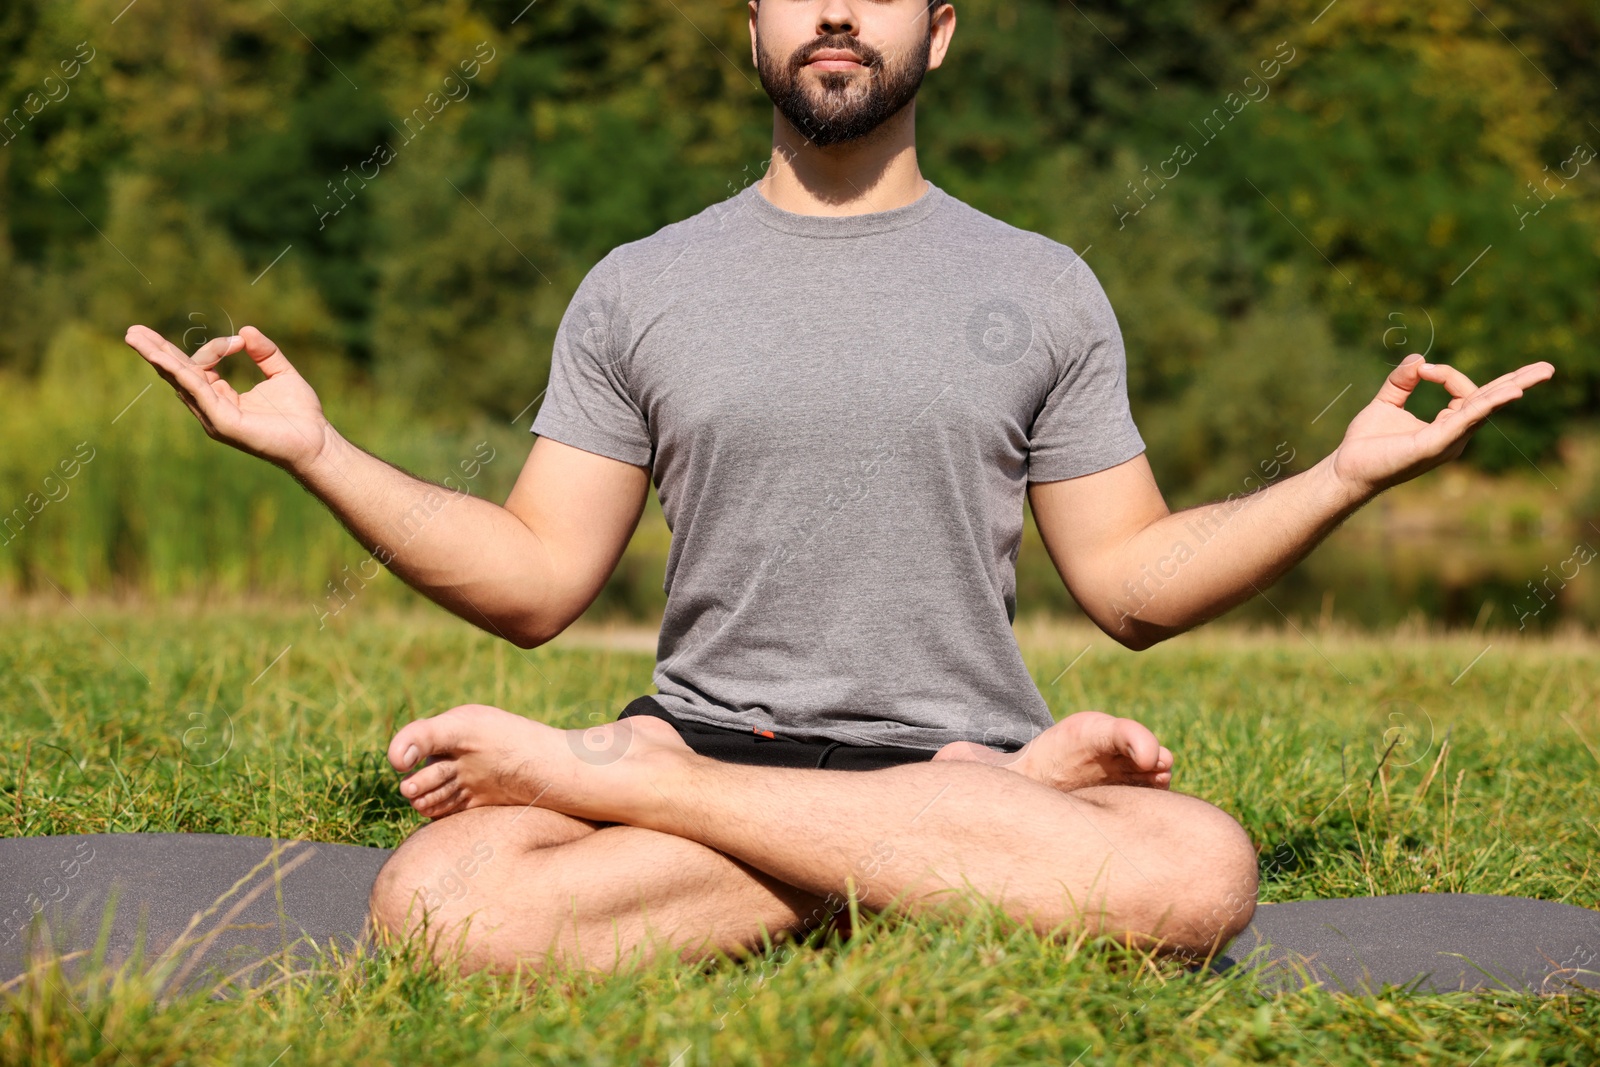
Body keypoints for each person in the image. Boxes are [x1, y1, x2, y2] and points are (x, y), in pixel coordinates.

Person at [124, 0, 1553, 975]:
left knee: (1201, 870)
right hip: (808, 762)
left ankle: (632, 788)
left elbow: (1129, 588)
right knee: (438, 910)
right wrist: (321, 452)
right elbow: (535, 580)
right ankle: (912, 842)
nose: (833, 11)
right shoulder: (641, 288)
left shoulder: (1042, 287)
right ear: (748, 21)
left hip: (943, 756)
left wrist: (1343, 477)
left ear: (938, 28)